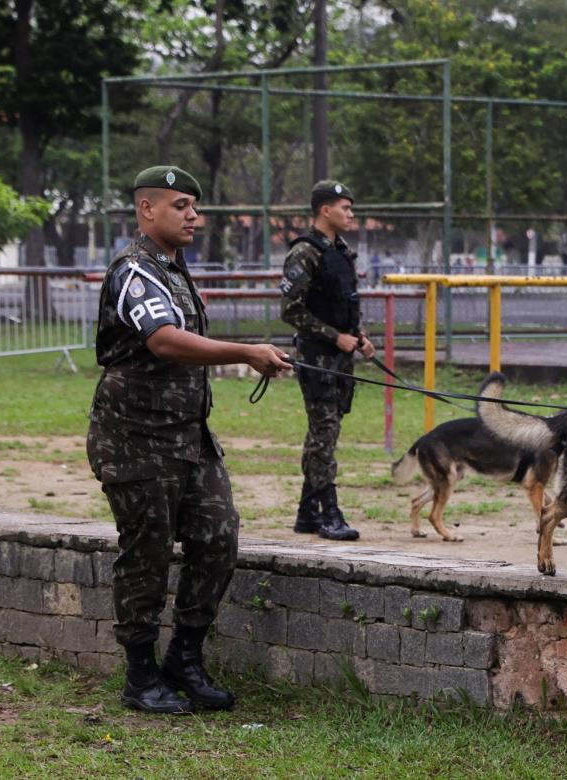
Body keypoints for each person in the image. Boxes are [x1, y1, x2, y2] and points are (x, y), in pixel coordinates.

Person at [87, 165, 292, 715]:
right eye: (180, 205)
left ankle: (185, 658)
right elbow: (164, 341)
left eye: (194, 206)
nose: (194, 215)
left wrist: (251, 355)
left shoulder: (174, 270)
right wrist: (247, 352)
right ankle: (139, 675)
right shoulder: (134, 272)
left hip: (188, 437)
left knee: (219, 538)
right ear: (146, 209)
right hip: (134, 439)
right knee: (146, 555)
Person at [281, 179, 376, 541]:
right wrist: (335, 337)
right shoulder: (305, 252)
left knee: (326, 432)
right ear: (325, 210)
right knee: (323, 434)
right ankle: (327, 513)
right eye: (345, 207)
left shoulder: (341, 251)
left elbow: (345, 304)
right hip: (317, 358)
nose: (350, 214)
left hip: (341, 359)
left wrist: (360, 336)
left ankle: (307, 512)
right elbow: (290, 310)